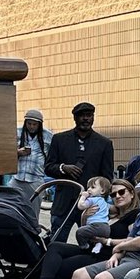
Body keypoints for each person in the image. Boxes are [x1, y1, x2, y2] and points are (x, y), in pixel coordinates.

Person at [16, 179, 139, 279]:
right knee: (55, 247)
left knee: (58, 269)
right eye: (114, 194)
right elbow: (86, 231)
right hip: (92, 250)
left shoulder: (134, 215)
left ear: (131, 193)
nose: (117, 196)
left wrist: (108, 241)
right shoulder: (110, 212)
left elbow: (133, 240)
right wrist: (84, 217)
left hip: (107, 257)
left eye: (122, 192)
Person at [44, 102, 114, 242]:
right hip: (63, 204)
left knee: (91, 245)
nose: (86, 119)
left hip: (91, 206)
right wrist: (63, 168)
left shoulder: (104, 143)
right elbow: (48, 167)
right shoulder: (59, 139)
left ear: (93, 117)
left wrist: (100, 202)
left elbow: (107, 178)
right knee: (56, 243)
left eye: (89, 115)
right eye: (82, 116)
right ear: (75, 118)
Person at [12, 108, 51, 228]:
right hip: (17, 177)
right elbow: (5, 151)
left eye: (35, 124)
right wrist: (18, 152)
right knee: (14, 210)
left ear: (39, 124)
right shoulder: (17, 132)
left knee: (33, 213)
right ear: (25, 122)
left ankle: (33, 234)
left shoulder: (48, 136)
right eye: (29, 123)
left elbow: (52, 154)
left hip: (35, 180)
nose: (31, 127)